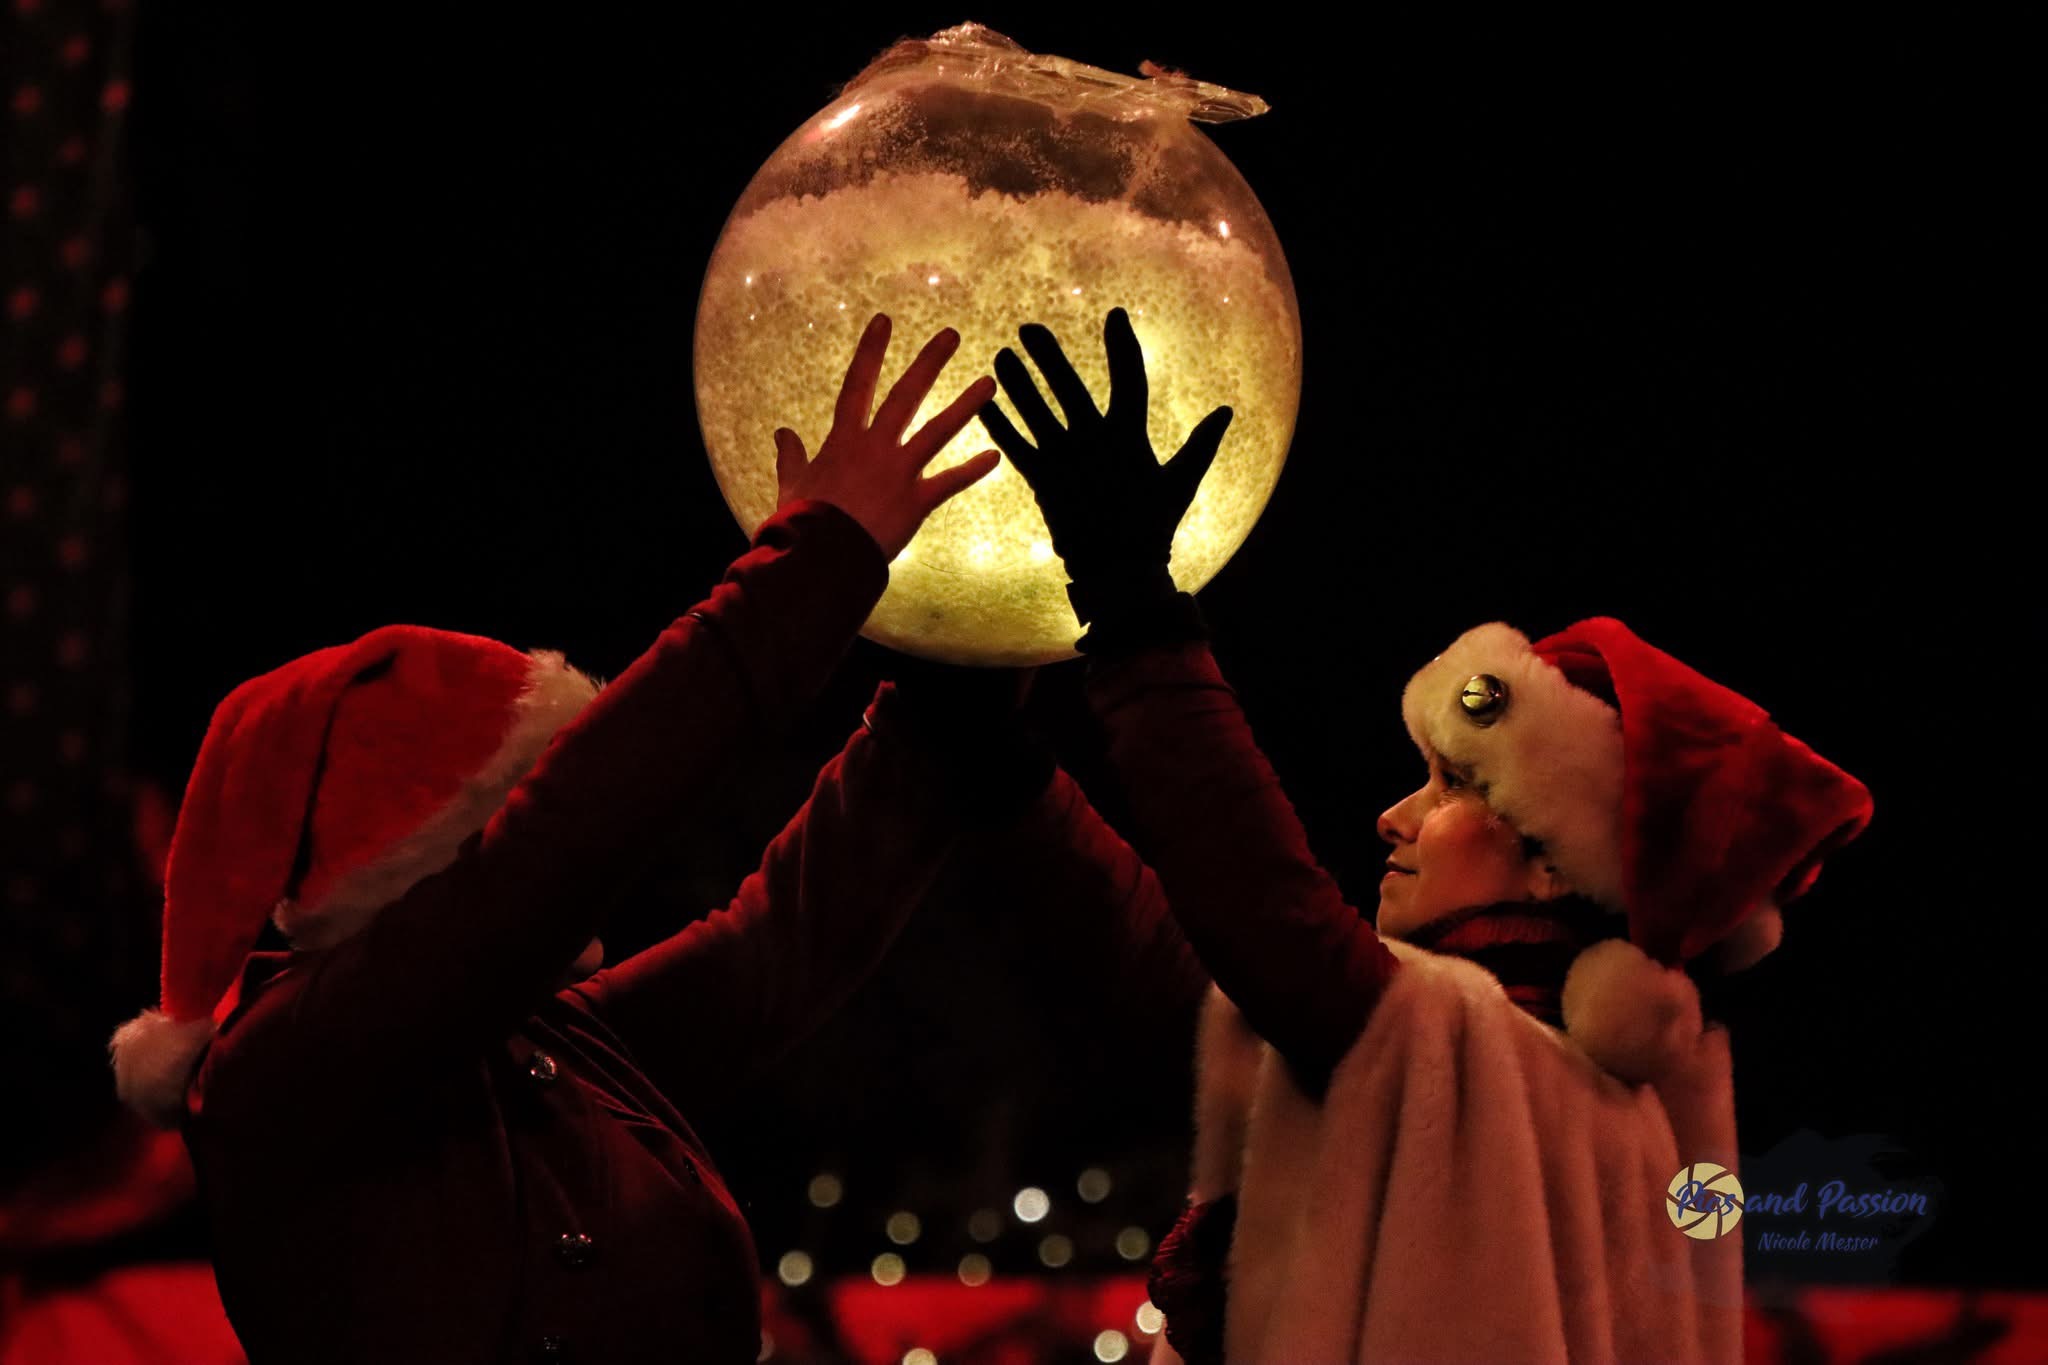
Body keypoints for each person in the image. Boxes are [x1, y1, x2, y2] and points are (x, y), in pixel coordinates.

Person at [106, 316, 1024, 1363]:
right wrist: (821, 555)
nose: (571, 857)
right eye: (515, 801)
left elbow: (780, 943)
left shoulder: (549, 1046)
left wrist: (956, 689)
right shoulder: (286, 1063)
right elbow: (572, 836)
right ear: (425, 862)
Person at [982, 308, 1874, 1362]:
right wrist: (996, 759)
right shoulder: (1609, 1107)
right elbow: (1186, 940)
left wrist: (1133, 608)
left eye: (1453, 785)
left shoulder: (1467, 1050)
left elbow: (1258, 903)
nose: (1392, 816)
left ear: (1552, 867)